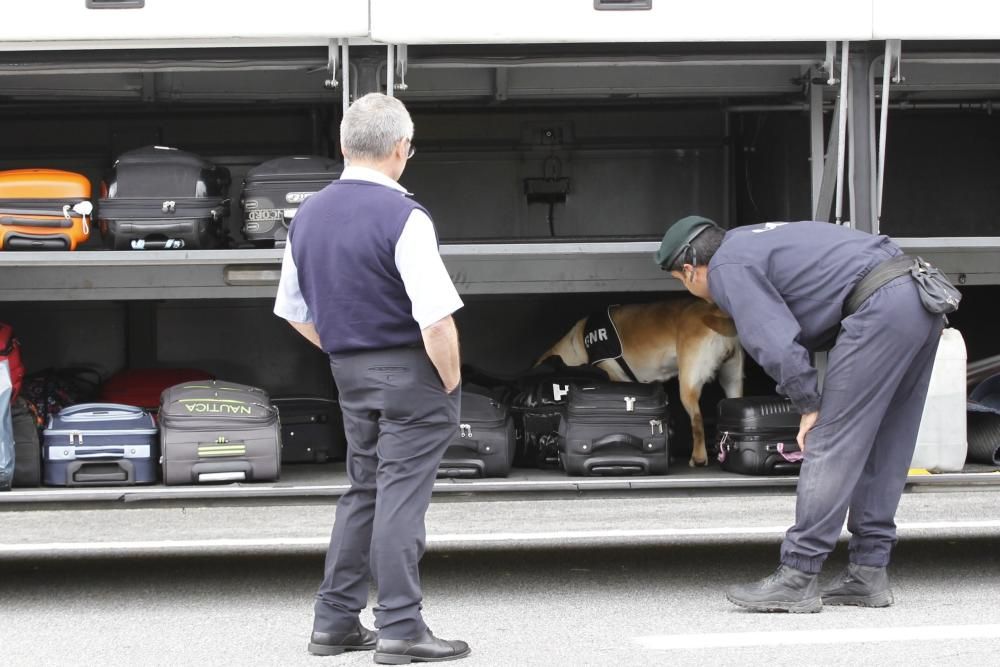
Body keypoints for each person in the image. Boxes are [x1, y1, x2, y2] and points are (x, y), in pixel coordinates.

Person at [655, 216, 946, 613]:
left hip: (880, 305)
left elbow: (773, 340)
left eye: (681, 281)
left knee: (828, 441)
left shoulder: (726, 267)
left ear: (690, 269)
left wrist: (808, 404)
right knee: (887, 441)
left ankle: (798, 576)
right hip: (917, 296)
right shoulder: (748, 242)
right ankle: (868, 572)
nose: (694, 293)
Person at [274, 92, 471, 661]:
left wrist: (343, 349)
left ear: (342, 145)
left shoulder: (307, 214)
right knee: (401, 501)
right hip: (413, 376)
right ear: (401, 148)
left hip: (348, 374)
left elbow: (292, 310)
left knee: (363, 492)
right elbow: (435, 318)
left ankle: (334, 621)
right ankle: (401, 627)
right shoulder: (405, 216)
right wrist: (450, 380)